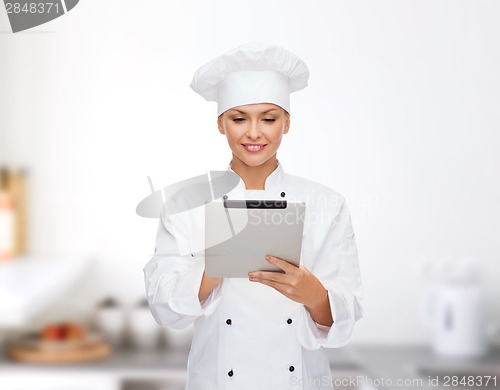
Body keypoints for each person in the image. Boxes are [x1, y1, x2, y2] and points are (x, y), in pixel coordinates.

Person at [143, 42, 364, 390]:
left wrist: (313, 295)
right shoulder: (186, 205)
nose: (254, 133)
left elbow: (346, 314)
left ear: (287, 123)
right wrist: (214, 270)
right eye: (239, 118)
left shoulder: (326, 203)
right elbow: (163, 308)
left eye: (269, 119)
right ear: (220, 124)